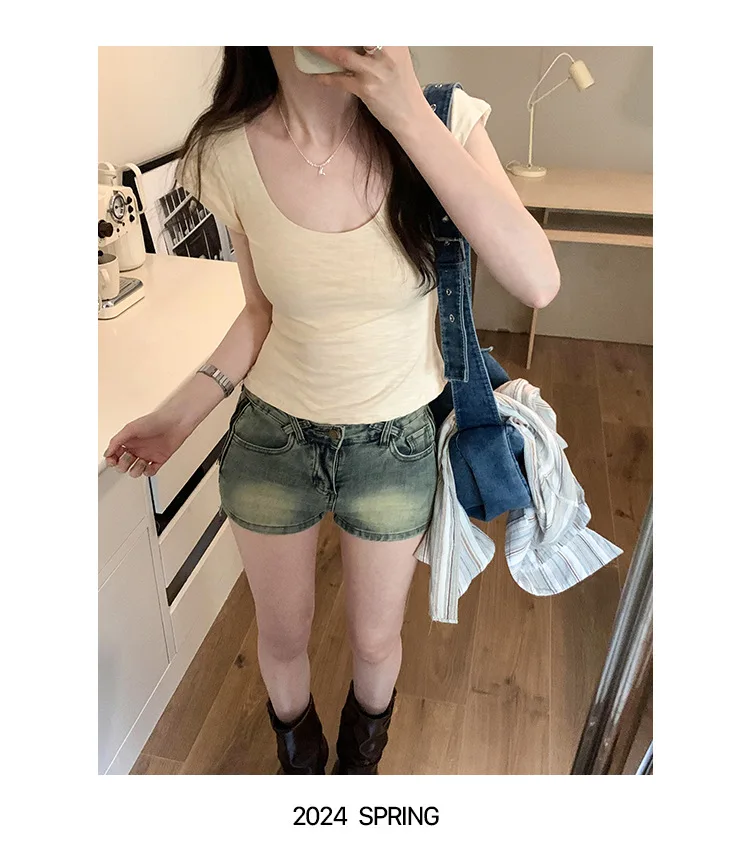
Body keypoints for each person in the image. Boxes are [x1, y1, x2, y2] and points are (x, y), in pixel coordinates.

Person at [103, 46, 560, 775]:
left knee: (375, 642)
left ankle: (357, 772)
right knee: (282, 637)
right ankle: (301, 768)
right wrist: (181, 415)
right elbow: (259, 312)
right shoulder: (225, 151)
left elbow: (537, 281)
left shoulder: (446, 120)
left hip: (395, 444)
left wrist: (408, 113)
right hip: (272, 440)